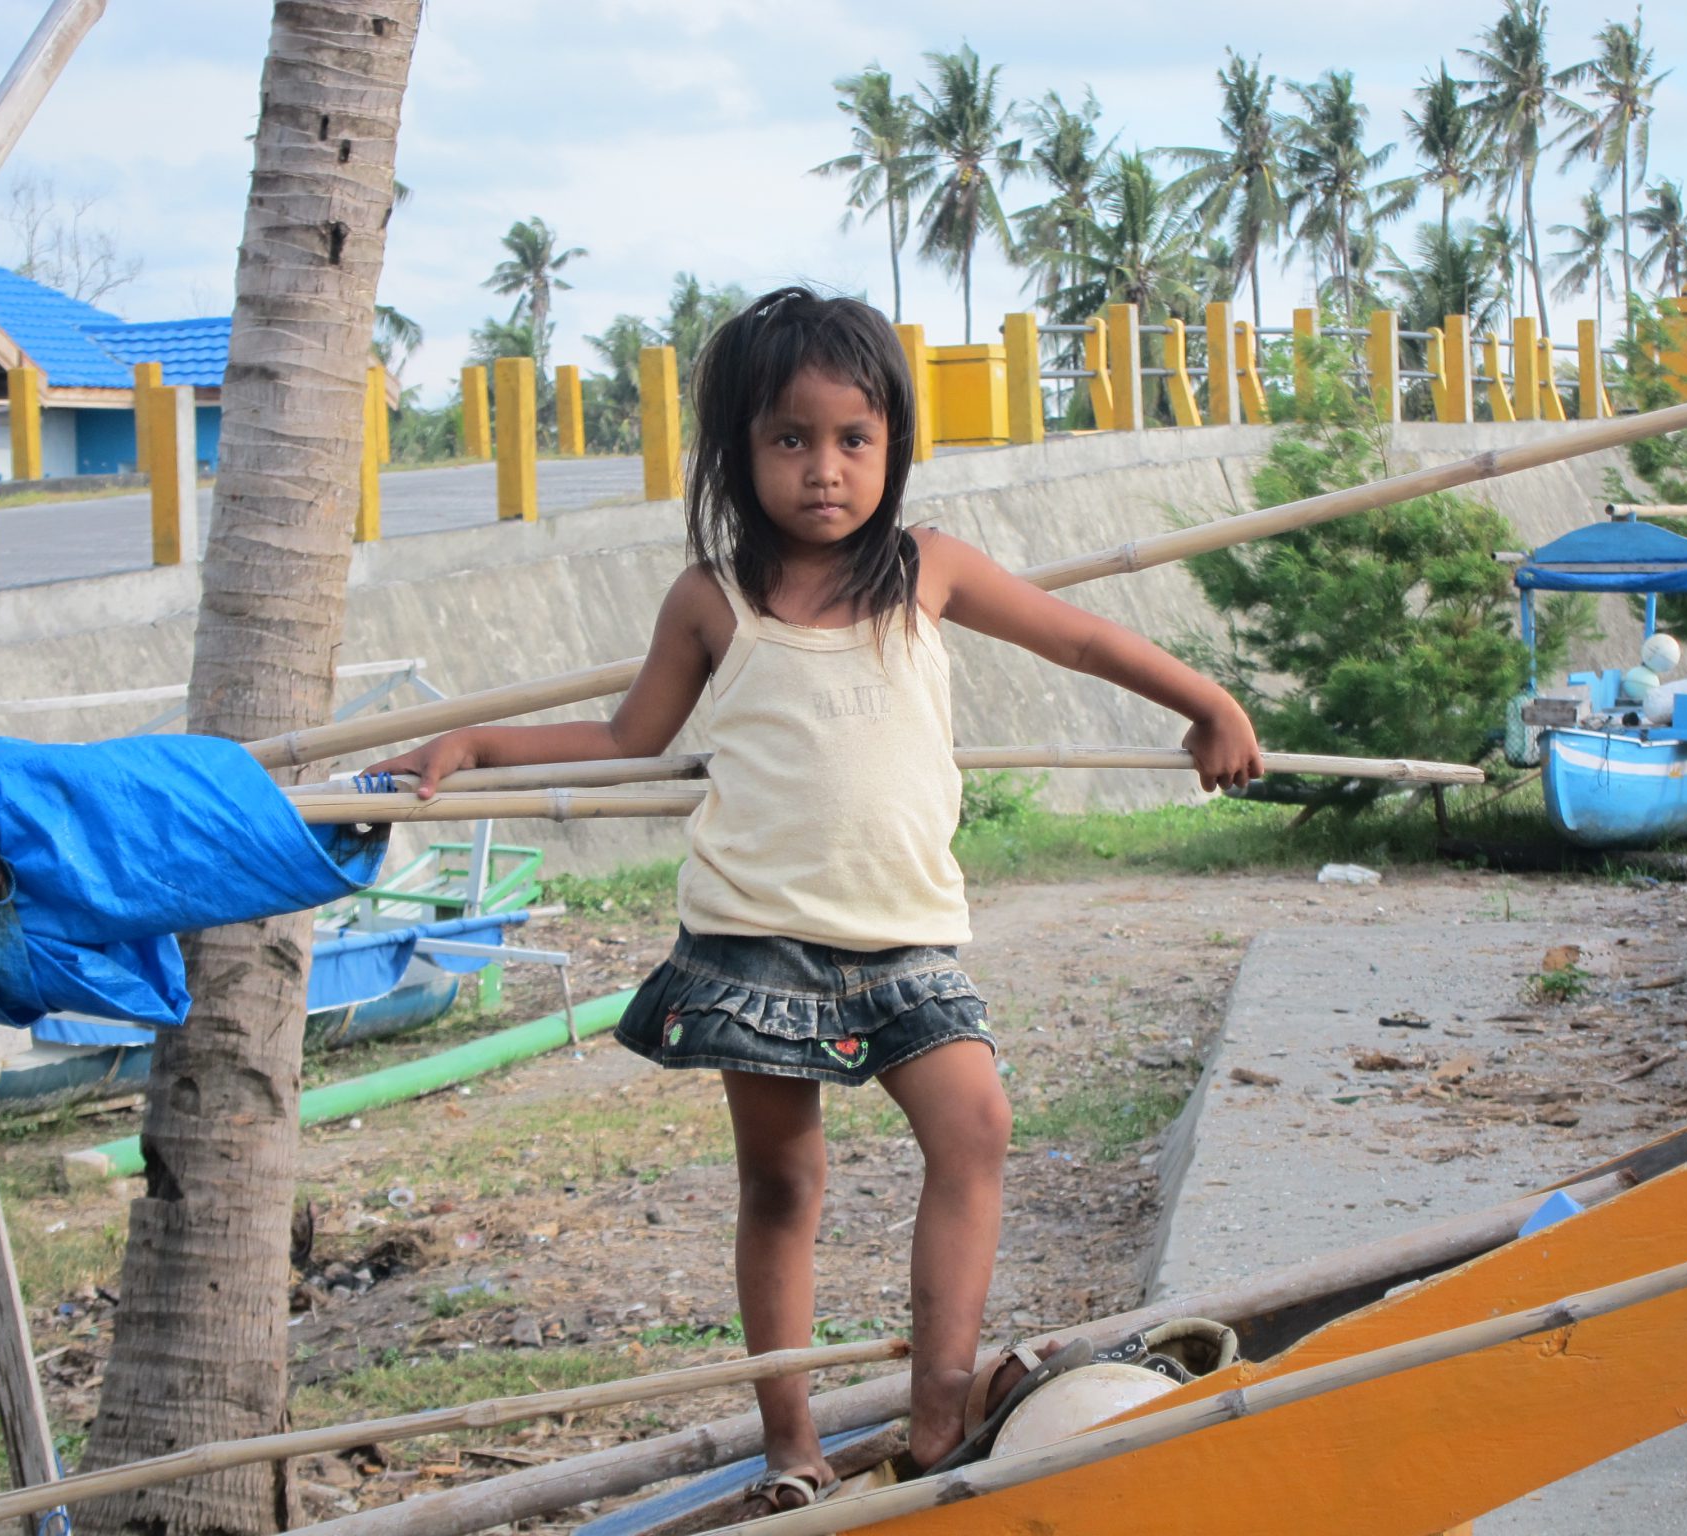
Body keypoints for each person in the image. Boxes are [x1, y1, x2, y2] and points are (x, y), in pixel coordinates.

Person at [369, 287, 1262, 1510]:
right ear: (738, 451)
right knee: (783, 1184)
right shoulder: (713, 598)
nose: (823, 469)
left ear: (892, 446)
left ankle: (938, 1406)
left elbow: (1076, 641)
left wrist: (1206, 702)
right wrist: (475, 744)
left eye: (853, 439)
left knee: (976, 1128)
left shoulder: (927, 570)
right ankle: (789, 1441)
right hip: (754, 945)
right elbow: (630, 737)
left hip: (903, 941)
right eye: (789, 438)